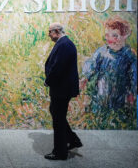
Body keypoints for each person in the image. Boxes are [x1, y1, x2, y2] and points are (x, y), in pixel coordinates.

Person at [80, 16, 137, 128]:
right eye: (107, 35)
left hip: (120, 95)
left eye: (115, 36)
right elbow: (92, 66)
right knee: (100, 116)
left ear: (125, 36)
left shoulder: (129, 56)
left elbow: (134, 76)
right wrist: (84, 78)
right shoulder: (102, 52)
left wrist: (132, 92)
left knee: (119, 118)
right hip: (101, 93)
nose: (110, 39)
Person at [44, 23, 82, 160]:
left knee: (58, 119)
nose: (48, 34)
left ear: (57, 31)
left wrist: (48, 80)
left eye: (50, 32)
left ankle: (60, 152)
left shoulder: (65, 44)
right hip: (62, 88)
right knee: (56, 113)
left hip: (61, 88)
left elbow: (58, 67)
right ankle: (72, 140)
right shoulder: (64, 43)